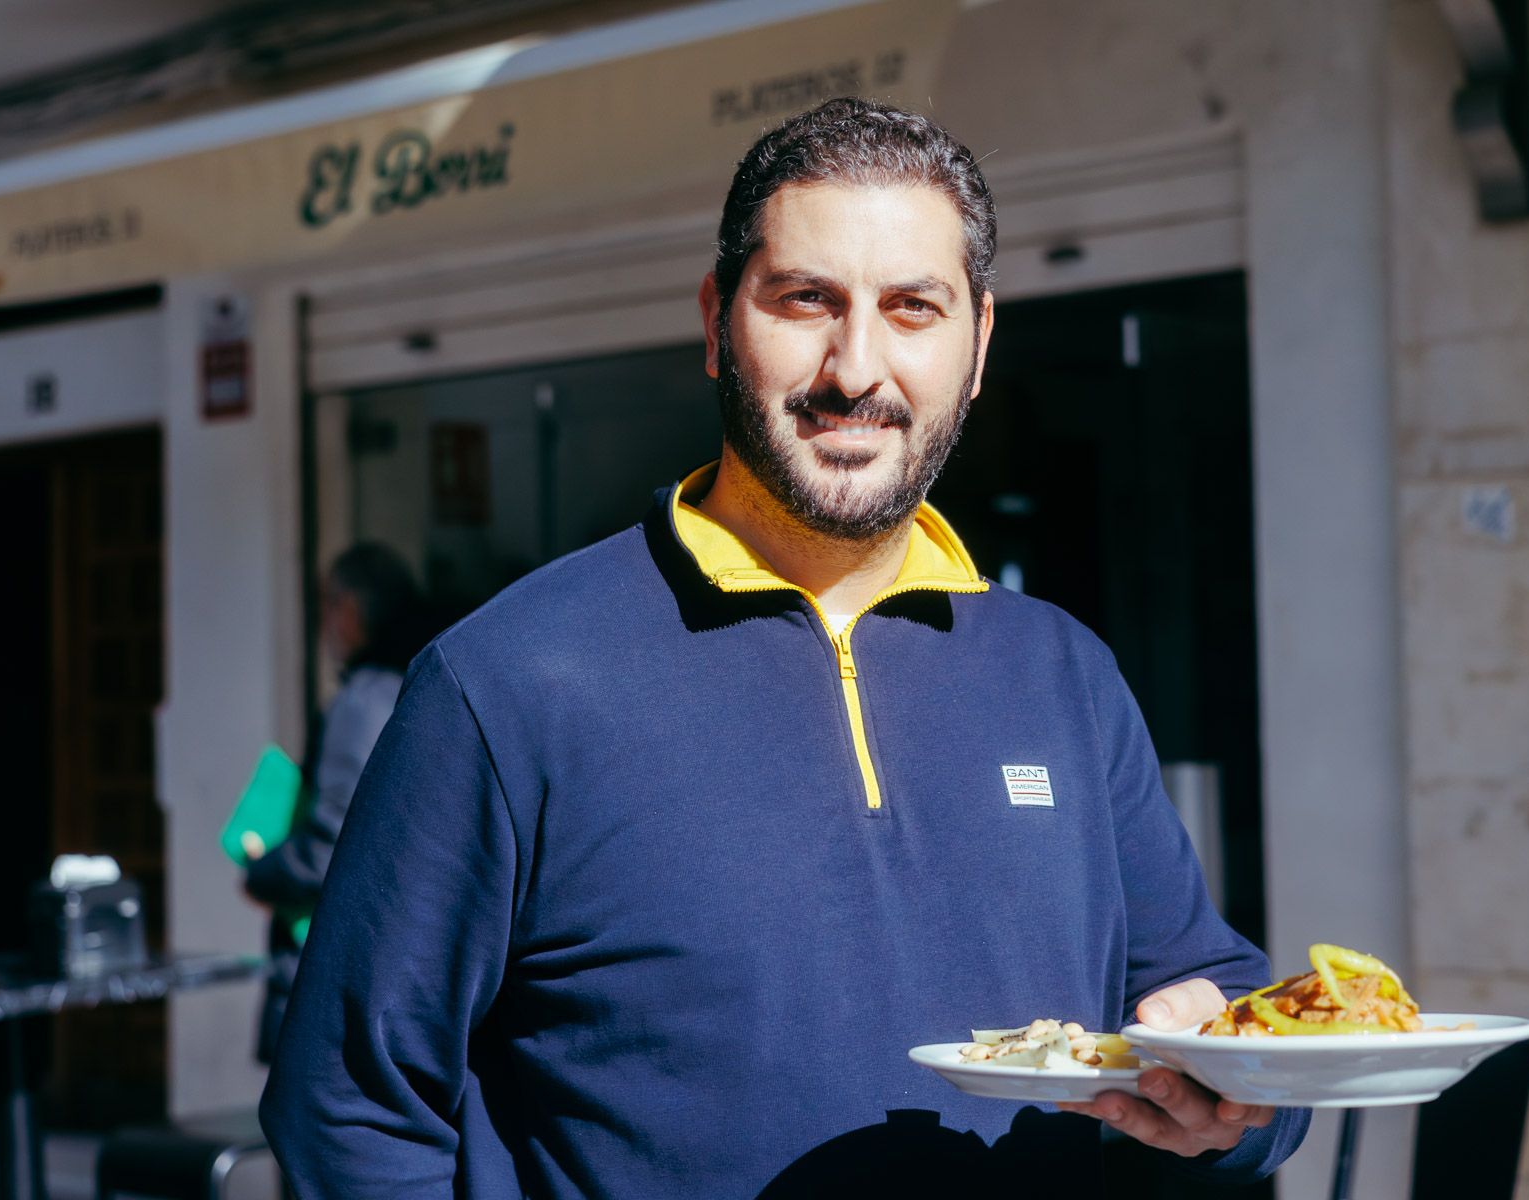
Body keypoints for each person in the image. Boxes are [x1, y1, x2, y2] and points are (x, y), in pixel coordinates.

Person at [262, 98, 1309, 1197]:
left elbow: (1210, 1002)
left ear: (979, 345)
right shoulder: (508, 682)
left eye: (914, 308)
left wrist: (1229, 1097)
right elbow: (348, 1106)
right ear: (717, 322)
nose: (856, 368)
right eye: (807, 300)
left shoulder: (1065, 676)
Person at [242, 541, 429, 1065]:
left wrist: (264, 871)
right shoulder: (423, 689)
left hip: (332, 978)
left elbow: (330, 849)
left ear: (350, 609)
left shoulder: (364, 703)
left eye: (327, 603)